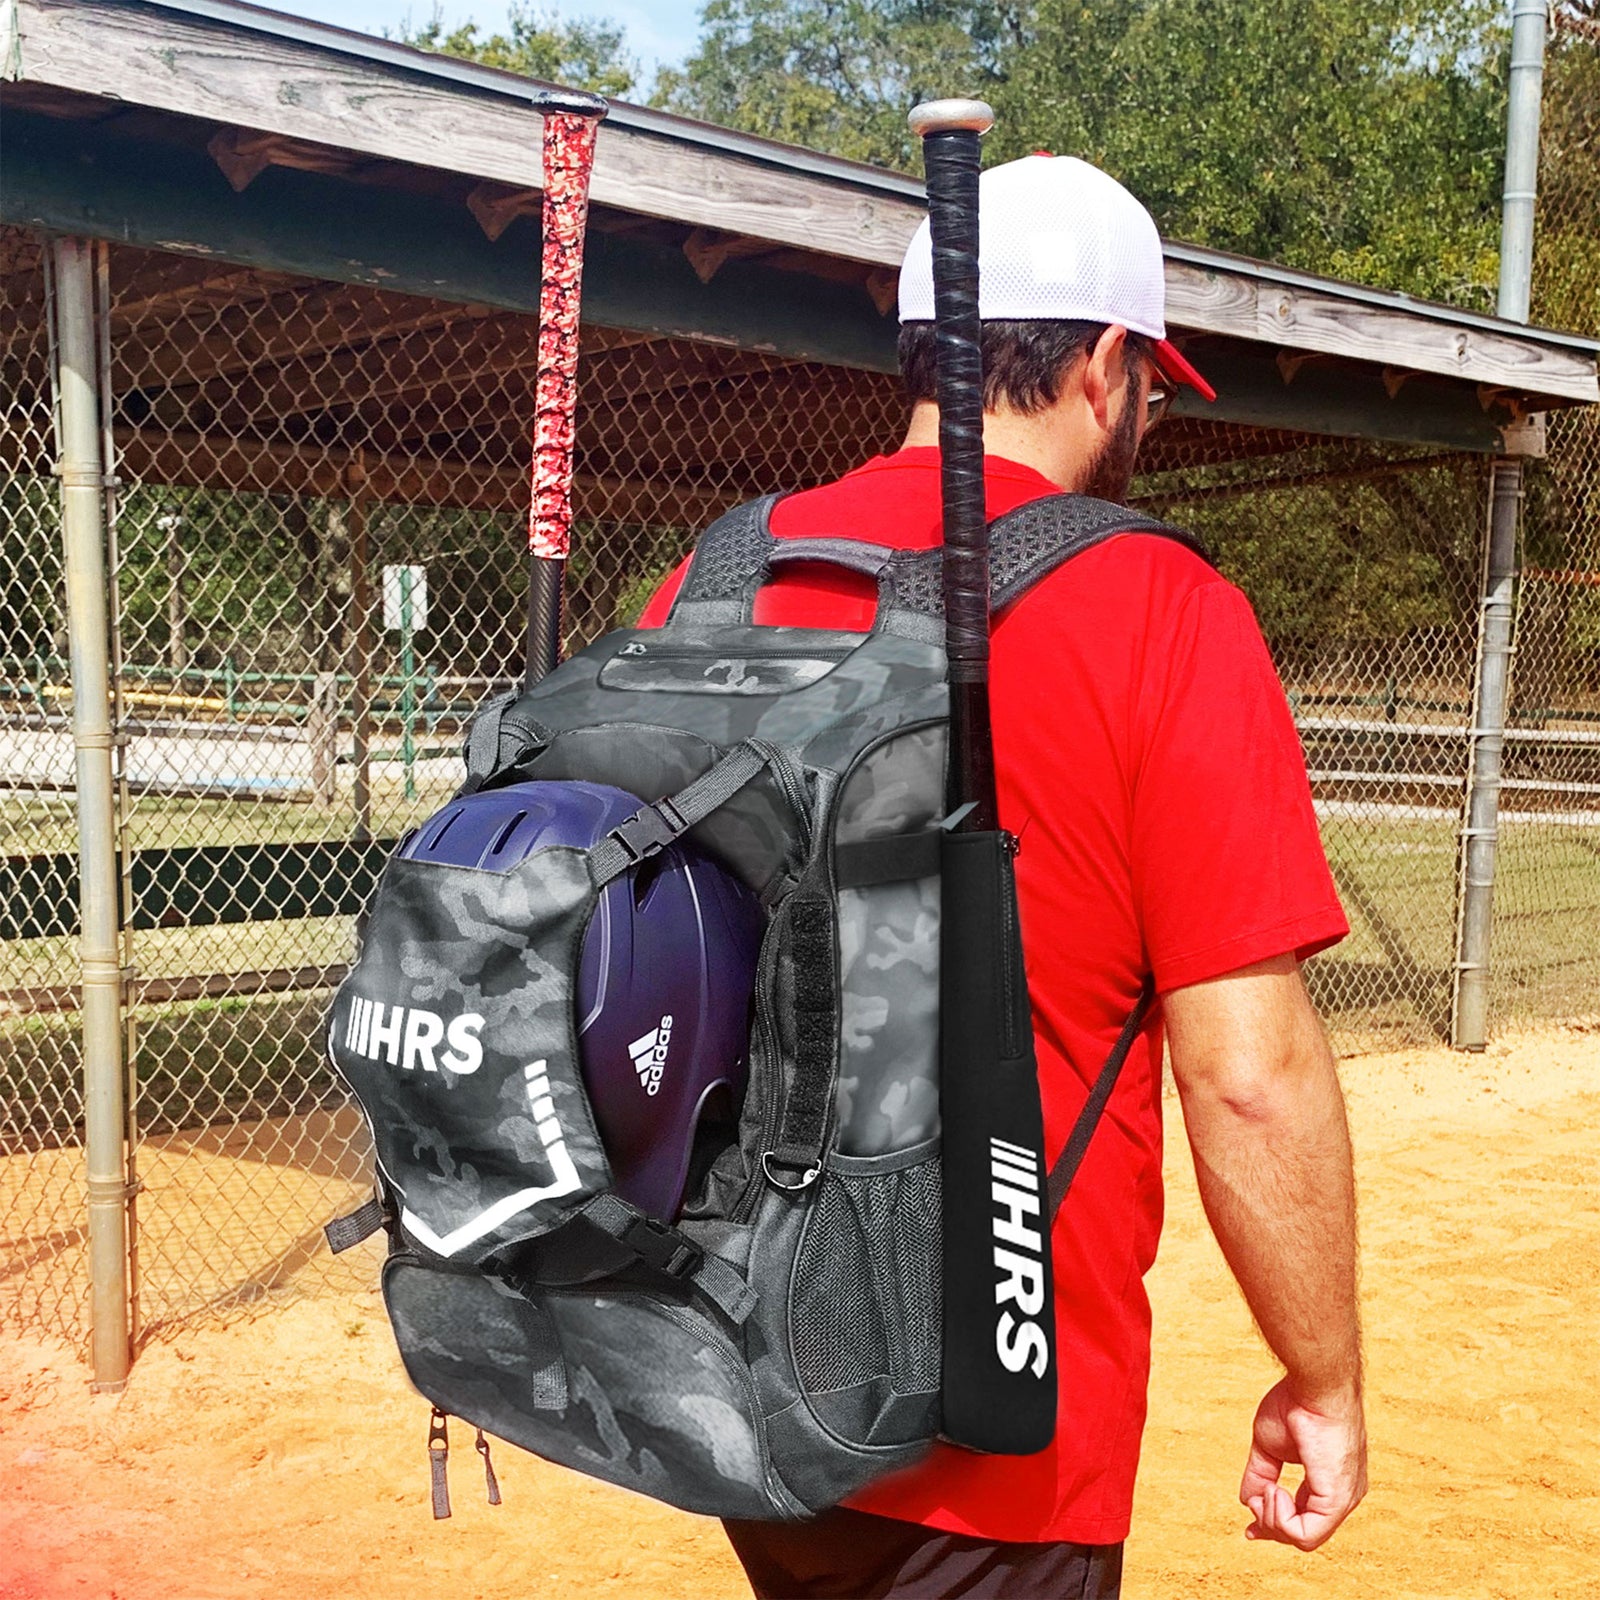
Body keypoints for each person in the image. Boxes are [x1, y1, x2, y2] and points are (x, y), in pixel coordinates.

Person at [638, 154, 1366, 1600]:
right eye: (1150, 383)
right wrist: (1322, 1374)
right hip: (999, 1425)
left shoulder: (715, 580)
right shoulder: (1165, 610)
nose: (1147, 412)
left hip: (743, 1370)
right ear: (1105, 365)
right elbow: (1248, 1075)